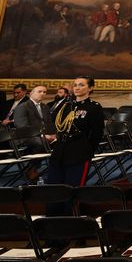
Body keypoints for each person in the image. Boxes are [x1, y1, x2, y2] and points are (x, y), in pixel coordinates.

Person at [46, 76, 105, 209]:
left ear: (90, 88)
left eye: (81, 85)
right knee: (53, 186)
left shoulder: (93, 107)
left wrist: (88, 150)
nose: (77, 88)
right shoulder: (65, 105)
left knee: (73, 188)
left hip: (79, 150)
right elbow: (55, 122)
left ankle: (71, 220)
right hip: (60, 149)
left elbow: (97, 133)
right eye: (75, 85)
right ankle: (52, 219)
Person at [12, 85, 56, 150]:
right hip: (27, 137)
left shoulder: (45, 107)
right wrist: (42, 135)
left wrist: (53, 134)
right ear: (31, 93)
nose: (42, 94)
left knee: (62, 140)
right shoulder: (22, 107)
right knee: (44, 142)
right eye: (39, 91)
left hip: (43, 136)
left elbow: (49, 124)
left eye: (44, 92)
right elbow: (23, 128)